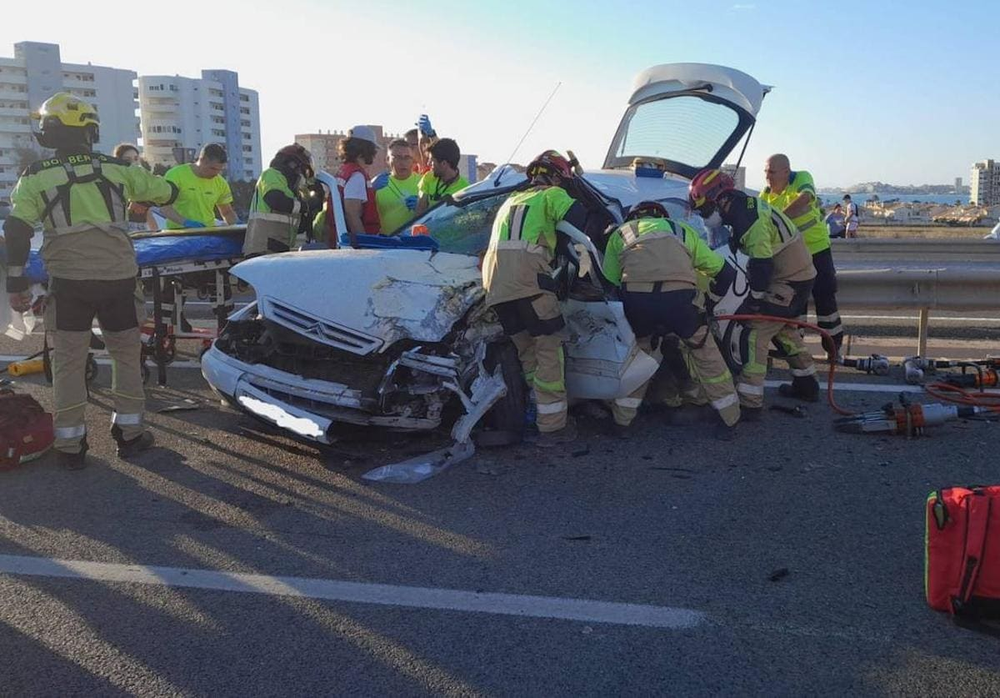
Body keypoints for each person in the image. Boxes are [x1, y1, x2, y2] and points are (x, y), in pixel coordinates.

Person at [3, 93, 178, 468]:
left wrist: (15, 284)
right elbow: (167, 192)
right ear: (89, 131)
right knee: (126, 355)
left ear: (49, 133)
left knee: (68, 362)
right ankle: (130, 434)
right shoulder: (117, 168)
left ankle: (70, 444)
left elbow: (16, 230)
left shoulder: (35, 177)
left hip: (68, 283)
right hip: (117, 278)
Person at [602, 202, 740, 439]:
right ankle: (729, 420)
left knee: (639, 357)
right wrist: (709, 304)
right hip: (679, 302)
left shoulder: (620, 234)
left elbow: (610, 281)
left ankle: (621, 422)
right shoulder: (682, 230)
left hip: (638, 301)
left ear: (633, 217)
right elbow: (725, 273)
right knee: (706, 355)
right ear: (662, 216)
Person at [689, 169, 819, 418]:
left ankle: (750, 401)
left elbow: (762, 265)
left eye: (706, 210)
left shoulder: (749, 220)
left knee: (755, 332)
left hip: (788, 280)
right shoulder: (741, 208)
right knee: (783, 328)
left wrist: (756, 301)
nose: (705, 216)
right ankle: (807, 384)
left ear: (722, 199)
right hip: (795, 274)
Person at [482, 150, 589, 446]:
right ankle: (553, 427)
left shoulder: (509, 201)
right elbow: (578, 216)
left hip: (496, 287)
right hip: (529, 281)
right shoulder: (550, 195)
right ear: (555, 177)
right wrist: (576, 191)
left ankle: (536, 413)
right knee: (549, 348)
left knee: (527, 350)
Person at [762, 154, 844, 351]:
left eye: (771, 172)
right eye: (765, 172)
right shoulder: (764, 196)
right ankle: (797, 354)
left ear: (786, 172)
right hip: (791, 259)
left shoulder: (801, 178)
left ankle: (833, 350)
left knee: (825, 300)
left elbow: (805, 198)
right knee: (795, 306)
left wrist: (779, 220)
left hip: (817, 250)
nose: (767, 177)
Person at [243, 144, 318, 256]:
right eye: (304, 171)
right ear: (293, 165)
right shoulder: (271, 175)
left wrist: (313, 207)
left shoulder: (292, 190)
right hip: (262, 248)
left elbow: (299, 227)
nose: (303, 175)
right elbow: (276, 200)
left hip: (277, 248)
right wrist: (305, 206)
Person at [162, 144, 238, 229]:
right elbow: (165, 207)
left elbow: (227, 212)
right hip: (178, 234)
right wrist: (185, 222)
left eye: (220, 170)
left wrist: (237, 227)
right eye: (213, 169)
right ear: (203, 160)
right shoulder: (175, 175)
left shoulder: (221, 183)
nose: (216, 173)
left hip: (207, 233)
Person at [330, 125, 381, 243]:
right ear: (366, 150)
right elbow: (352, 214)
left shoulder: (344, 171)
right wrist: (364, 244)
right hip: (354, 244)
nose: (374, 154)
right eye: (373, 150)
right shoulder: (356, 176)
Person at [372, 139, 421, 235]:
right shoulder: (378, 183)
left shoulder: (423, 182)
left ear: (413, 160)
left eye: (407, 157)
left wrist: (422, 207)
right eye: (397, 158)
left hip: (415, 243)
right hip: (387, 243)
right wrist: (370, 190)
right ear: (387, 160)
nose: (403, 162)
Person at [415, 138, 469, 215]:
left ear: (444, 164)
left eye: (432, 161)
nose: (428, 164)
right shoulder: (428, 177)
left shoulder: (465, 189)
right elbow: (420, 210)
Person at [112, 143, 155, 232]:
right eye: (127, 160)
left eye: (136, 159)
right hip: (123, 232)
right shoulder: (114, 182)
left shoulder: (143, 181)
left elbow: (148, 213)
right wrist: (130, 209)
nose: (133, 163)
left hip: (143, 232)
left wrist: (156, 234)